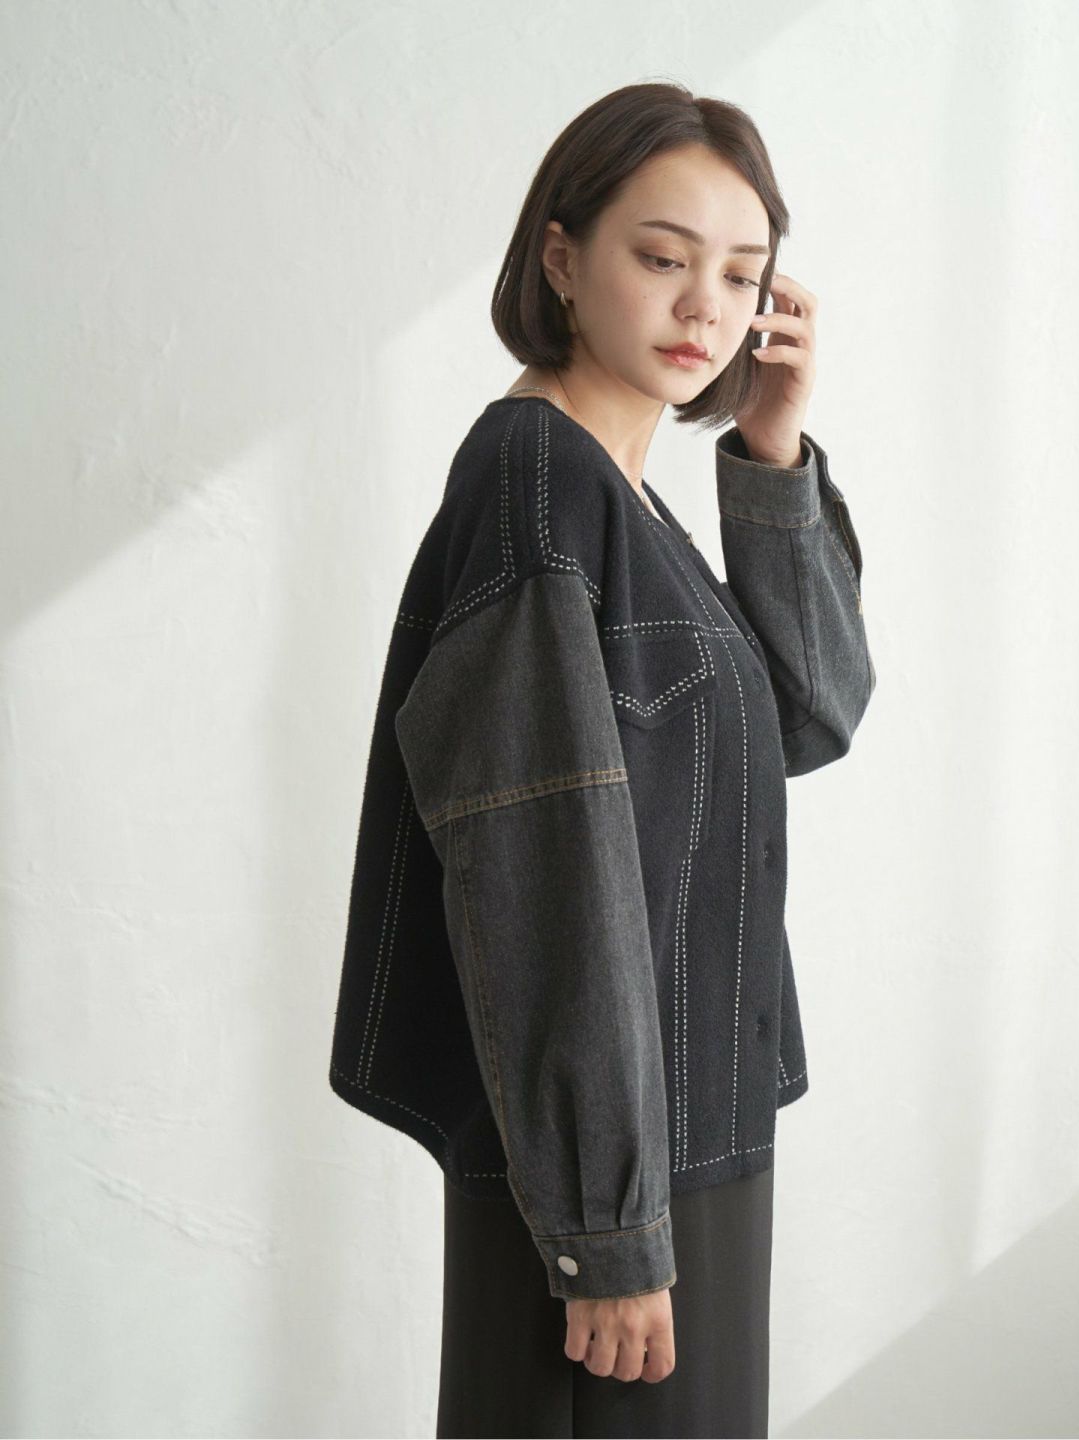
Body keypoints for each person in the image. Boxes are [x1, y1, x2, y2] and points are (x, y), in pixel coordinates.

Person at [327, 80, 876, 1438]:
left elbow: (812, 713)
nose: (706, 308)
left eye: (741, 274)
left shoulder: (623, 500)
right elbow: (544, 869)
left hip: (680, 1151)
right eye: (663, 256)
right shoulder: (535, 486)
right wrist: (606, 1236)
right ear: (562, 259)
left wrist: (772, 450)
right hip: (607, 1189)